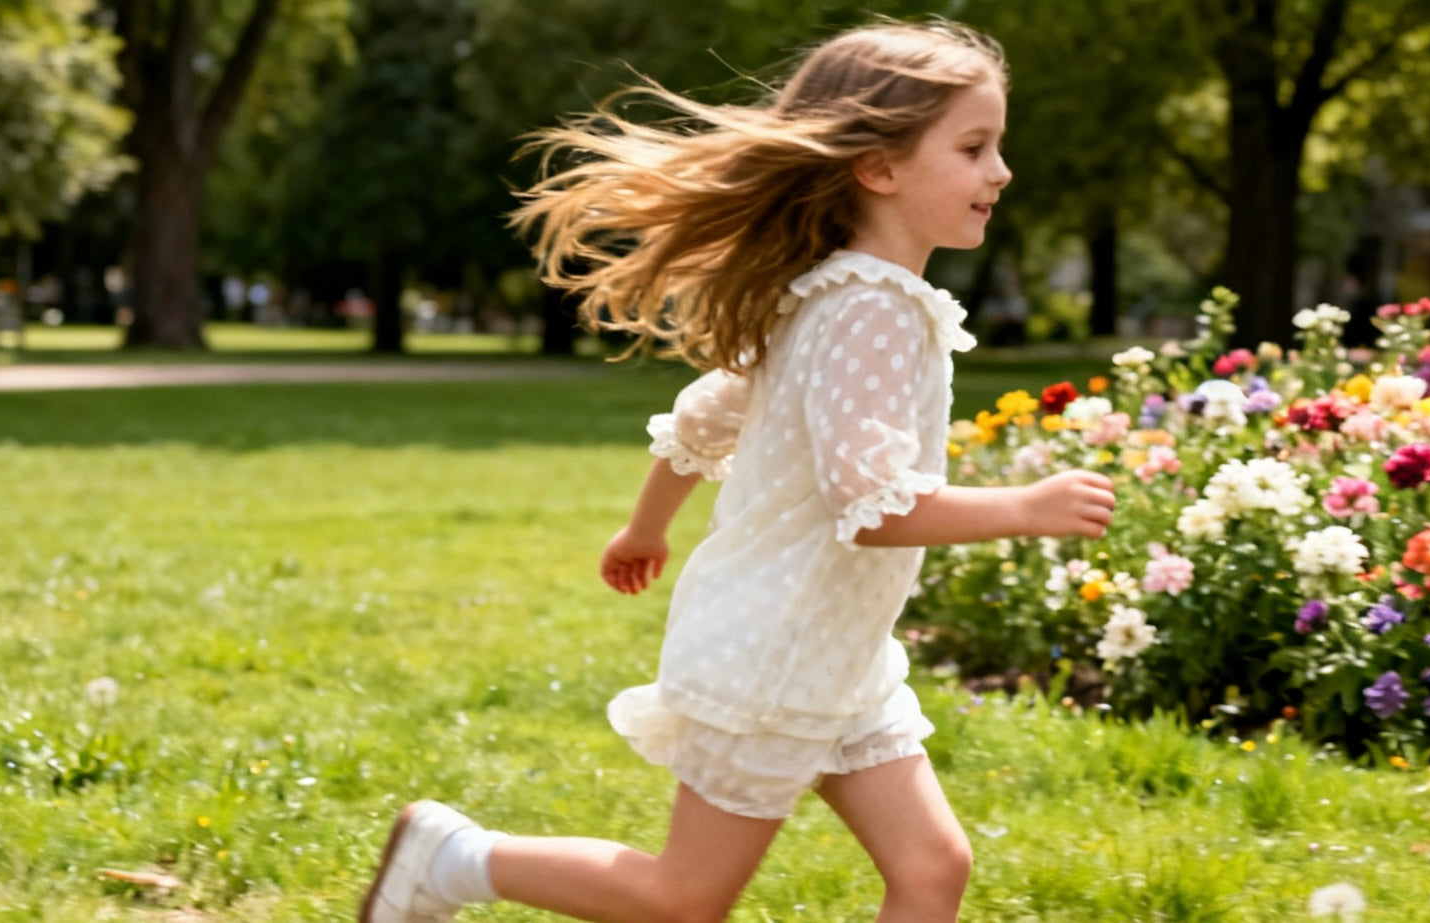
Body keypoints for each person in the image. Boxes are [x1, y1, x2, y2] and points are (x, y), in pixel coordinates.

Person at [360, 18, 1116, 923]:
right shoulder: (863, 308)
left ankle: (452, 854)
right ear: (876, 167)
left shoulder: (833, 294)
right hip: (779, 657)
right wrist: (1025, 505)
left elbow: (705, 413)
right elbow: (870, 504)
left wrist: (647, 526)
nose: (1001, 171)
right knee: (684, 898)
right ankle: (452, 856)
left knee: (931, 869)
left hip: (835, 653)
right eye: (974, 147)